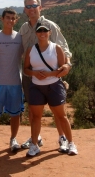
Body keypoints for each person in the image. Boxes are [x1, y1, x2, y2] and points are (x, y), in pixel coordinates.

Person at [19, 0, 72, 153]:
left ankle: (62, 137)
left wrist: (67, 64)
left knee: (56, 109)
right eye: (28, 7)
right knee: (33, 109)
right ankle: (36, 138)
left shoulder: (50, 26)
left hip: (52, 75)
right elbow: (20, 51)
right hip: (31, 74)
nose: (31, 9)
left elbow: (63, 47)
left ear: (40, 7)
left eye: (34, 5)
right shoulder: (23, 28)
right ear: (24, 10)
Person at [23, 23, 78, 157]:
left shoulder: (56, 48)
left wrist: (48, 74)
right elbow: (25, 69)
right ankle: (34, 145)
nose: (42, 33)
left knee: (61, 116)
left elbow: (63, 69)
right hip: (36, 86)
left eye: (45, 31)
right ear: (36, 33)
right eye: (39, 31)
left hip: (54, 86)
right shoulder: (31, 49)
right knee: (36, 117)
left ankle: (71, 143)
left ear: (50, 32)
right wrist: (35, 74)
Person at [0, 8, 24, 154]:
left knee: (15, 114)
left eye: (13, 18)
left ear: (16, 20)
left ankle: (13, 139)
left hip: (15, 81)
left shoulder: (20, 38)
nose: (10, 21)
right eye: (8, 18)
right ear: (1, 19)